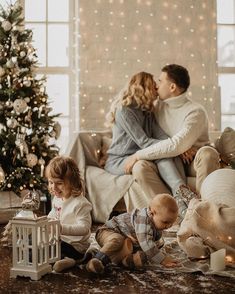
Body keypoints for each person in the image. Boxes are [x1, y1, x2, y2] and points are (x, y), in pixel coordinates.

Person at [105, 71, 198, 220]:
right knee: (161, 152)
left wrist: (178, 147)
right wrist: (179, 149)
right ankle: (181, 193)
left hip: (142, 154)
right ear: (143, 88)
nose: (156, 87)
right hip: (120, 160)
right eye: (153, 85)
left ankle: (181, 195)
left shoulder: (147, 111)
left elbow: (162, 137)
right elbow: (144, 142)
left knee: (163, 153)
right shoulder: (124, 111)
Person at [124, 64, 220, 203]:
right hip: (166, 158)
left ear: (172, 87)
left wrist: (137, 155)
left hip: (191, 161)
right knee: (139, 167)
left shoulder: (195, 111)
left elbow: (177, 145)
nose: (156, 86)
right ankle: (175, 212)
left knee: (207, 153)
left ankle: (203, 209)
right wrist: (179, 148)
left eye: (160, 81)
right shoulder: (155, 107)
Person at [86, 193, 179, 274]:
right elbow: (146, 243)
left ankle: (128, 260)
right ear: (152, 213)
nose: (168, 226)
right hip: (107, 232)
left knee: (147, 251)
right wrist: (162, 260)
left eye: (172, 222)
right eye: (165, 222)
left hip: (125, 240)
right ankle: (97, 260)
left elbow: (153, 246)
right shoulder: (144, 220)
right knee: (118, 240)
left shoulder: (156, 223)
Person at [46, 156, 92, 272]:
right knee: (41, 243)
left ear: (72, 182)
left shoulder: (80, 204)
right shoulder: (57, 199)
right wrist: (46, 222)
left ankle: (72, 259)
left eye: (59, 183)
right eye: (51, 182)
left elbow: (84, 228)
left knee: (55, 247)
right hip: (60, 240)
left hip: (76, 246)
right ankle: (63, 259)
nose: (54, 187)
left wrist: (61, 229)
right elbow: (53, 214)